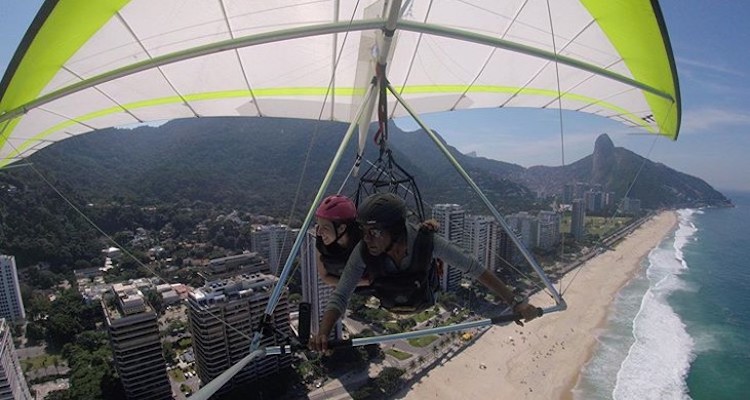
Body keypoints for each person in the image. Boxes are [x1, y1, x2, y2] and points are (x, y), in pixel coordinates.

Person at [310, 193, 540, 351]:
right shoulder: (364, 250)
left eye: (374, 232)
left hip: (424, 300)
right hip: (390, 302)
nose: (367, 238)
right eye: (364, 231)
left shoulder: (426, 242)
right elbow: (341, 294)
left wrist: (515, 302)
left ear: (396, 231)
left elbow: (475, 269)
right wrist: (324, 332)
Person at [314, 194, 367, 286]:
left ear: (341, 228)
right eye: (318, 226)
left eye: (325, 227)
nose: (319, 232)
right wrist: (361, 282)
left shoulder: (365, 243)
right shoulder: (322, 243)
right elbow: (325, 276)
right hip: (357, 284)